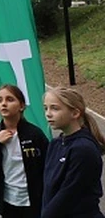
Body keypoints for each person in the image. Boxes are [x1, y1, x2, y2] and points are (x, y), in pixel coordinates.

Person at [0, 84, 48, 217]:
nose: (4, 104)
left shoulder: (34, 134)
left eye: (10, 100)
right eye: (0, 100)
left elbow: (47, 166)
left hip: (33, 201)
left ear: (21, 106)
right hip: (7, 201)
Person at [42, 87, 105, 217]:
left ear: (75, 113)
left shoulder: (83, 149)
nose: (48, 113)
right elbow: (49, 188)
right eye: (46, 108)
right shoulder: (55, 144)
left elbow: (69, 193)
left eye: (55, 108)